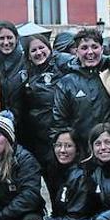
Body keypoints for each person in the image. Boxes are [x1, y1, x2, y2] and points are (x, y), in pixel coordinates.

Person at [51, 28, 110, 156]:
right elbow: (59, 122)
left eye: (94, 47)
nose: (90, 52)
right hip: (82, 154)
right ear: (76, 52)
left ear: (102, 49)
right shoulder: (66, 83)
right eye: (84, 48)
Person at [19, 34, 79, 169]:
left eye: (41, 48)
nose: (38, 52)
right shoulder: (26, 75)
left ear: (49, 49)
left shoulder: (60, 61)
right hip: (41, 139)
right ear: (28, 56)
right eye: (33, 50)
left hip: (65, 133)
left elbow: (82, 61)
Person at [0, 21, 27, 123]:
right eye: (2, 38)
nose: (6, 42)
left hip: (25, 123)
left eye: (9, 37)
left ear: (16, 38)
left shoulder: (26, 61)